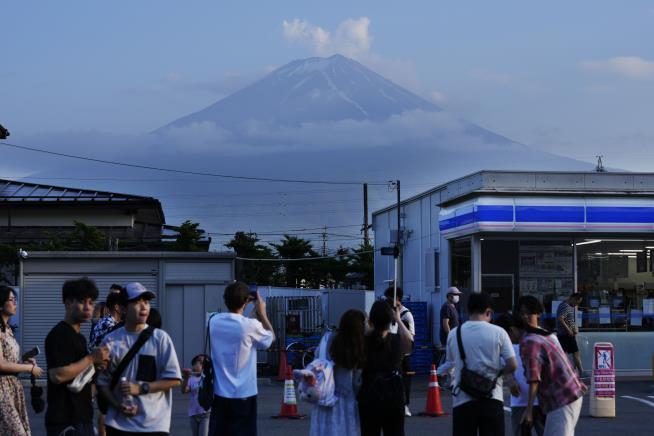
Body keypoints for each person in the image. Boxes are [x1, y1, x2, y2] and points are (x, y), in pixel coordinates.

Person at [97, 282, 181, 435]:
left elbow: (174, 379)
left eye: (146, 302)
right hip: (118, 425)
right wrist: (117, 406)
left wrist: (141, 387)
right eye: (136, 302)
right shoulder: (110, 341)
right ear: (122, 308)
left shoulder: (160, 339)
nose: (144, 307)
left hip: (154, 426)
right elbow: (102, 383)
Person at [445, 292, 517, 436]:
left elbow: (451, 363)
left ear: (467, 310)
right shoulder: (499, 332)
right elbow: (512, 364)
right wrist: (500, 373)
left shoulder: (454, 333)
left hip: (463, 401)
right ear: (489, 312)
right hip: (492, 399)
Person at [208, 281, 275, 436]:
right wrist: (262, 313)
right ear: (247, 301)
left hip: (219, 393)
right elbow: (270, 338)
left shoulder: (213, 321)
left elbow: (241, 324)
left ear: (225, 300)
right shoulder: (250, 326)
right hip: (244, 394)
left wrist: (249, 309)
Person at [45, 277, 110, 436]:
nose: (88, 307)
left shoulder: (80, 338)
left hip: (83, 417)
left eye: (91, 302)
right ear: (68, 303)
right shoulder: (58, 334)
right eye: (82, 301)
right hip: (64, 421)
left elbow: (82, 378)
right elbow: (57, 375)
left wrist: (97, 367)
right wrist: (91, 359)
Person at [516, 296, 586, 436]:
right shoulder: (545, 334)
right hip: (569, 394)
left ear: (538, 314)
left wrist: (528, 410)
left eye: (529, 313)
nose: (525, 316)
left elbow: (534, 379)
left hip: (563, 398)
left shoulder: (530, 341)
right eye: (522, 313)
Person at [358, 300, 413, 436]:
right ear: (390, 319)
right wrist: (399, 320)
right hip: (393, 396)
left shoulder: (363, 342)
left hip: (369, 395)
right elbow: (410, 342)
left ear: (371, 319)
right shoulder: (397, 340)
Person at [309, 309, 366, 436]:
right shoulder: (355, 347)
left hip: (323, 396)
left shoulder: (326, 339)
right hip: (345, 401)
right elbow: (357, 383)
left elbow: (317, 359)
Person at [0, 285, 44, 436]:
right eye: (11, 300)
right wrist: (30, 369)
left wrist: (25, 362)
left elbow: (10, 360)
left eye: (15, 300)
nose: (15, 303)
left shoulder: (8, 329)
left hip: (12, 387)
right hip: (2, 389)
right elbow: (1, 364)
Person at [495, 313, 545, 436]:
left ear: (511, 330)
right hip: (519, 402)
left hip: (540, 402)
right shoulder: (503, 348)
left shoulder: (534, 341)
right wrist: (510, 379)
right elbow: (503, 367)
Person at [89, 290, 125, 436]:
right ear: (117, 307)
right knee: (105, 409)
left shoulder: (103, 322)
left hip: (97, 369)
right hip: (101, 370)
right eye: (124, 305)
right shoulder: (110, 325)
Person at [384, 287, 415, 417]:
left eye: (389, 298)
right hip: (390, 352)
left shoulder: (406, 314)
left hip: (404, 353)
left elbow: (411, 336)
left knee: (405, 380)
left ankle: (405, 405)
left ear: (397, 299)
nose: (387, 301)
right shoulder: (386, 312)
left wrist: (398, 319)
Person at [437, 287, 462, 387]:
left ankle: (452, 383)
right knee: (452, 361)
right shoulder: (446, 307)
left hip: (453, 336)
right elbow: (445, 323)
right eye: (456, 295)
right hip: (449, 337)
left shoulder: (452, 306)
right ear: (450, 296)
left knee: (452, 360)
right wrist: (450, 336)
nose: (457, 297)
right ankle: (437, 374)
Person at [181, 354, 211, 436]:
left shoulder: (208, 378)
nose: (200, 365)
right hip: (193, 413)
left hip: (205, 414)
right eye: (199, 362)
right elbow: (184, 390)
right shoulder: (191, 379)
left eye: (203, 363)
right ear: (193, 365)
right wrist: (186, 378)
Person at [556, 293, 584, 374]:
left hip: (564, 334)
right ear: (573, 298)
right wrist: (569, 330)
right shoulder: (566, 306)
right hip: (566, 335)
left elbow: (567, 319)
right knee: (576, 353)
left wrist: (574, 327)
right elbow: (560, 318)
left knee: (564, 354)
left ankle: (569, 372)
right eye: (577, 302)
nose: (576, 305)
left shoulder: (563, 305)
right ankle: (581, 372)